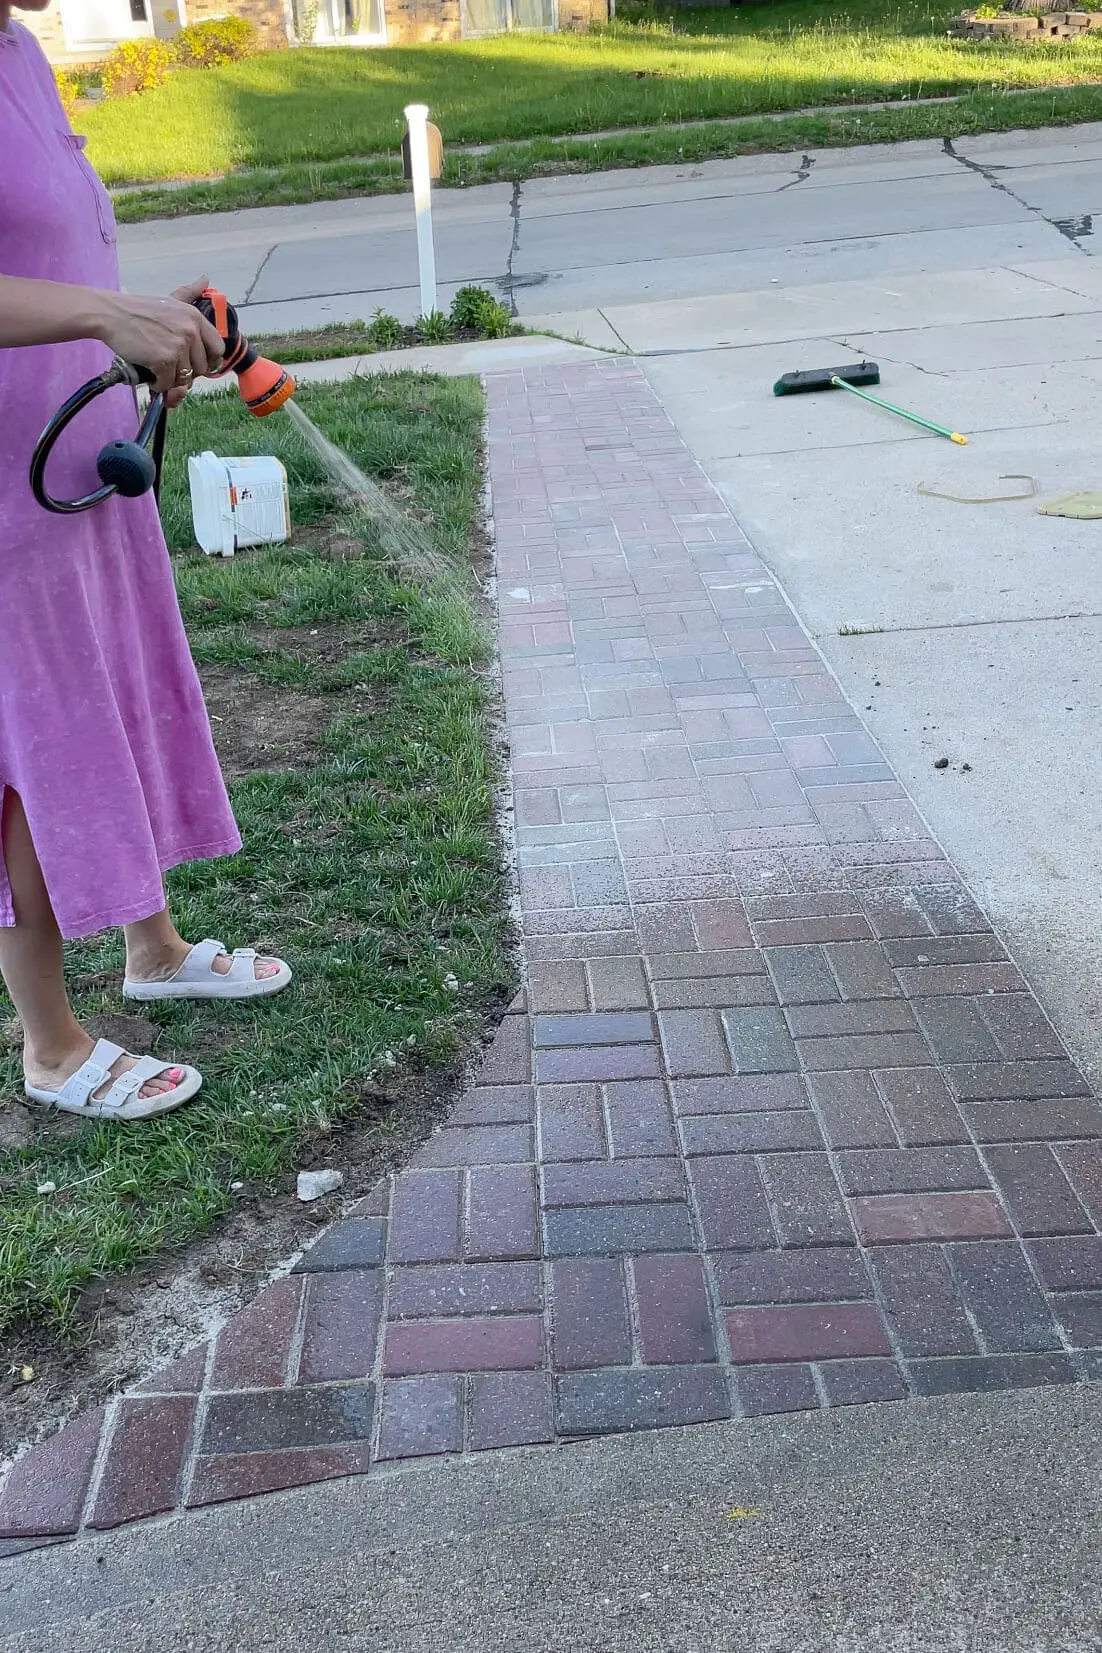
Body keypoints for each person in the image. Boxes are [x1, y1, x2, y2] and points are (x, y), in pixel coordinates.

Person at [0, 0, 291, 1123]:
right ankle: (52, 1044)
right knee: (29, 751)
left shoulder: (17, 44)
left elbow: (42, 250)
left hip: (72, 449)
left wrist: (146, 318)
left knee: (111, 698)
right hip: (5, 491)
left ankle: (152, 947)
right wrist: (103, 312)